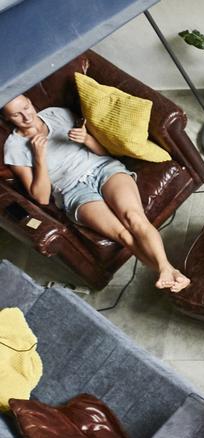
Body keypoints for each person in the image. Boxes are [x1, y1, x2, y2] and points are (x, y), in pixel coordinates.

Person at [2, 95, 188, 291]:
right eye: (16, 115)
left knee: (134, 218)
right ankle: (169, 272)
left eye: (27, 107)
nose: (27, 116)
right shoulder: (14, 148)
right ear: (7, 119)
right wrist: (39, 157)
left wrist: (87, 139)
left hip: (102, 169)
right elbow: (40, 197)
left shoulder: (57, 114)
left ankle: (166, 269)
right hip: (72, 190)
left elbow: (103, 153)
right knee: (123, 235)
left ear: (31, 102)